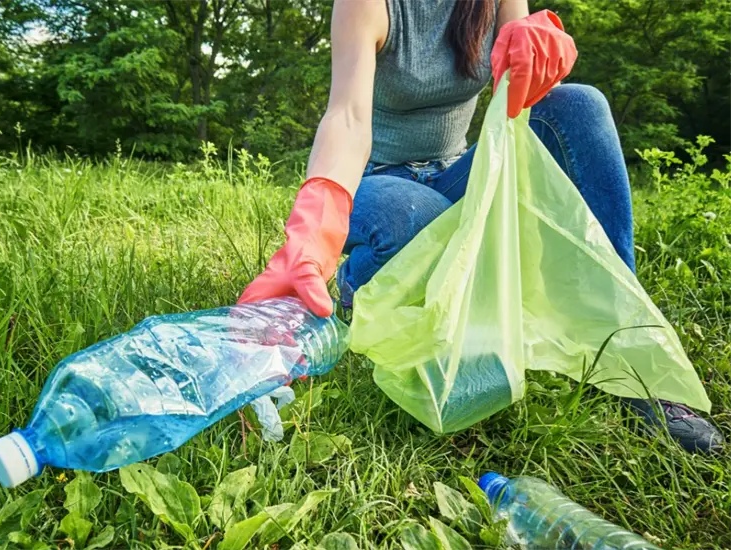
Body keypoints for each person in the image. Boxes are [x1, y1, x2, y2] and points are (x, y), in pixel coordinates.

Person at [238, 0, 724, 453]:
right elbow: (347, 117)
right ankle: (355, 281)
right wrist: (316, 224)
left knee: (580, 104)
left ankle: (629, 352)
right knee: (419, 220)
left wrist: (538, 56)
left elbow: (522, 101)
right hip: (376, 181)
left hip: (454, 172)